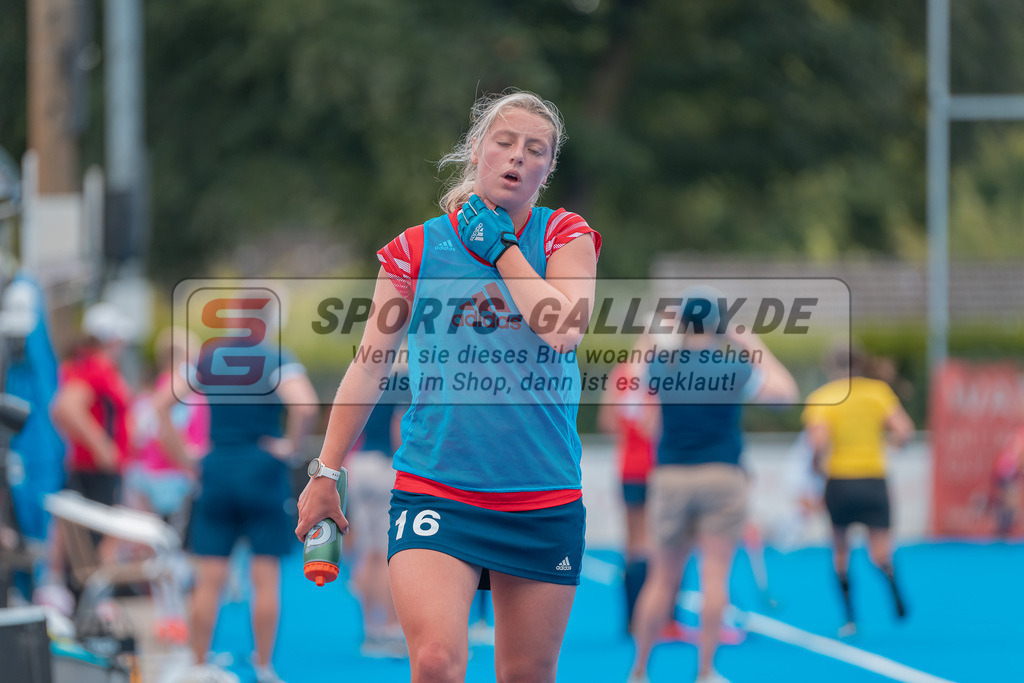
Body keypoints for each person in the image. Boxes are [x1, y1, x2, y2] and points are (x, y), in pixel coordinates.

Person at [296, 89, 601, 683]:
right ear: (476, 151)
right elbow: (369, 364)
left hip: (541, 491)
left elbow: (562, 328)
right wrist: (325, 472)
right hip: (436, 487)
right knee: (435, 661)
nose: (517, 156)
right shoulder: (415, 248)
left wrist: (504, 250)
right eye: (504, 142)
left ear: (548, 168)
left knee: (527, 674)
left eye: (535, 149)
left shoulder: (565, 234)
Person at [628, 291, 798, 683]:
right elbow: (785, 394)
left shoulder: (662, 366)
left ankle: (638, 671)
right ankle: (704, 671)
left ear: (683, 326)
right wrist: (751, 341)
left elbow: (631, 386)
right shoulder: (734, 367)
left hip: (670, 476)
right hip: (723, 475)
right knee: (715, 578)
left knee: (661, 579)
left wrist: (651, 336)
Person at [171, 330, 319, 683]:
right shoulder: (277, 358)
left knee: (209, 580)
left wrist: (182, 457)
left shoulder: (208, 362)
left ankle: (196, 664)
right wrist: (290, 447)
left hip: (217, 469)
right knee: (265, 579)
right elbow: (307, 405)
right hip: (263, 472)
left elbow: (163, 403)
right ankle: (264, 667)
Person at [802, 347, 914, 637]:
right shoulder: (877, 393)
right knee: (880, 551)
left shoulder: (823, 397)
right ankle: (893, 589)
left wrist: (816, 466)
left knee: (841, 550)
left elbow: (817, 443)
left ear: (830, 367)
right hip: (873, 478)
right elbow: (904, 431)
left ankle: (850, 618)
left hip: (840, 480)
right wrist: (893, 445)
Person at [45, 302, 134, 605]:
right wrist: (101, 448)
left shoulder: (87, 366)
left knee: (85, 548)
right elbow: (65, 408)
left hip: (95, 471)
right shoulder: (96, 368)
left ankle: (87, 610)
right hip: (96, 473)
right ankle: (88, 611)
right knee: (90, 551)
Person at [346, 364, 410, 657]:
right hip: (387, 466)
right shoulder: (406, 379)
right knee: (390, 554)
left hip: (362, 464)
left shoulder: (371, 378)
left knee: (369, 552)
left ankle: (370, 629)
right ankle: (392, 628)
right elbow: (399, 421)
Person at [598, 354, 655, 635]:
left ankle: (632, 621)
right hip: (657, 467)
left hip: (629, 466)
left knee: (633, 544)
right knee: (657, 544)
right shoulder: (664, 371)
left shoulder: (621, 373)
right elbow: (655, 426)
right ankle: (658, 620)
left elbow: (607, 422)